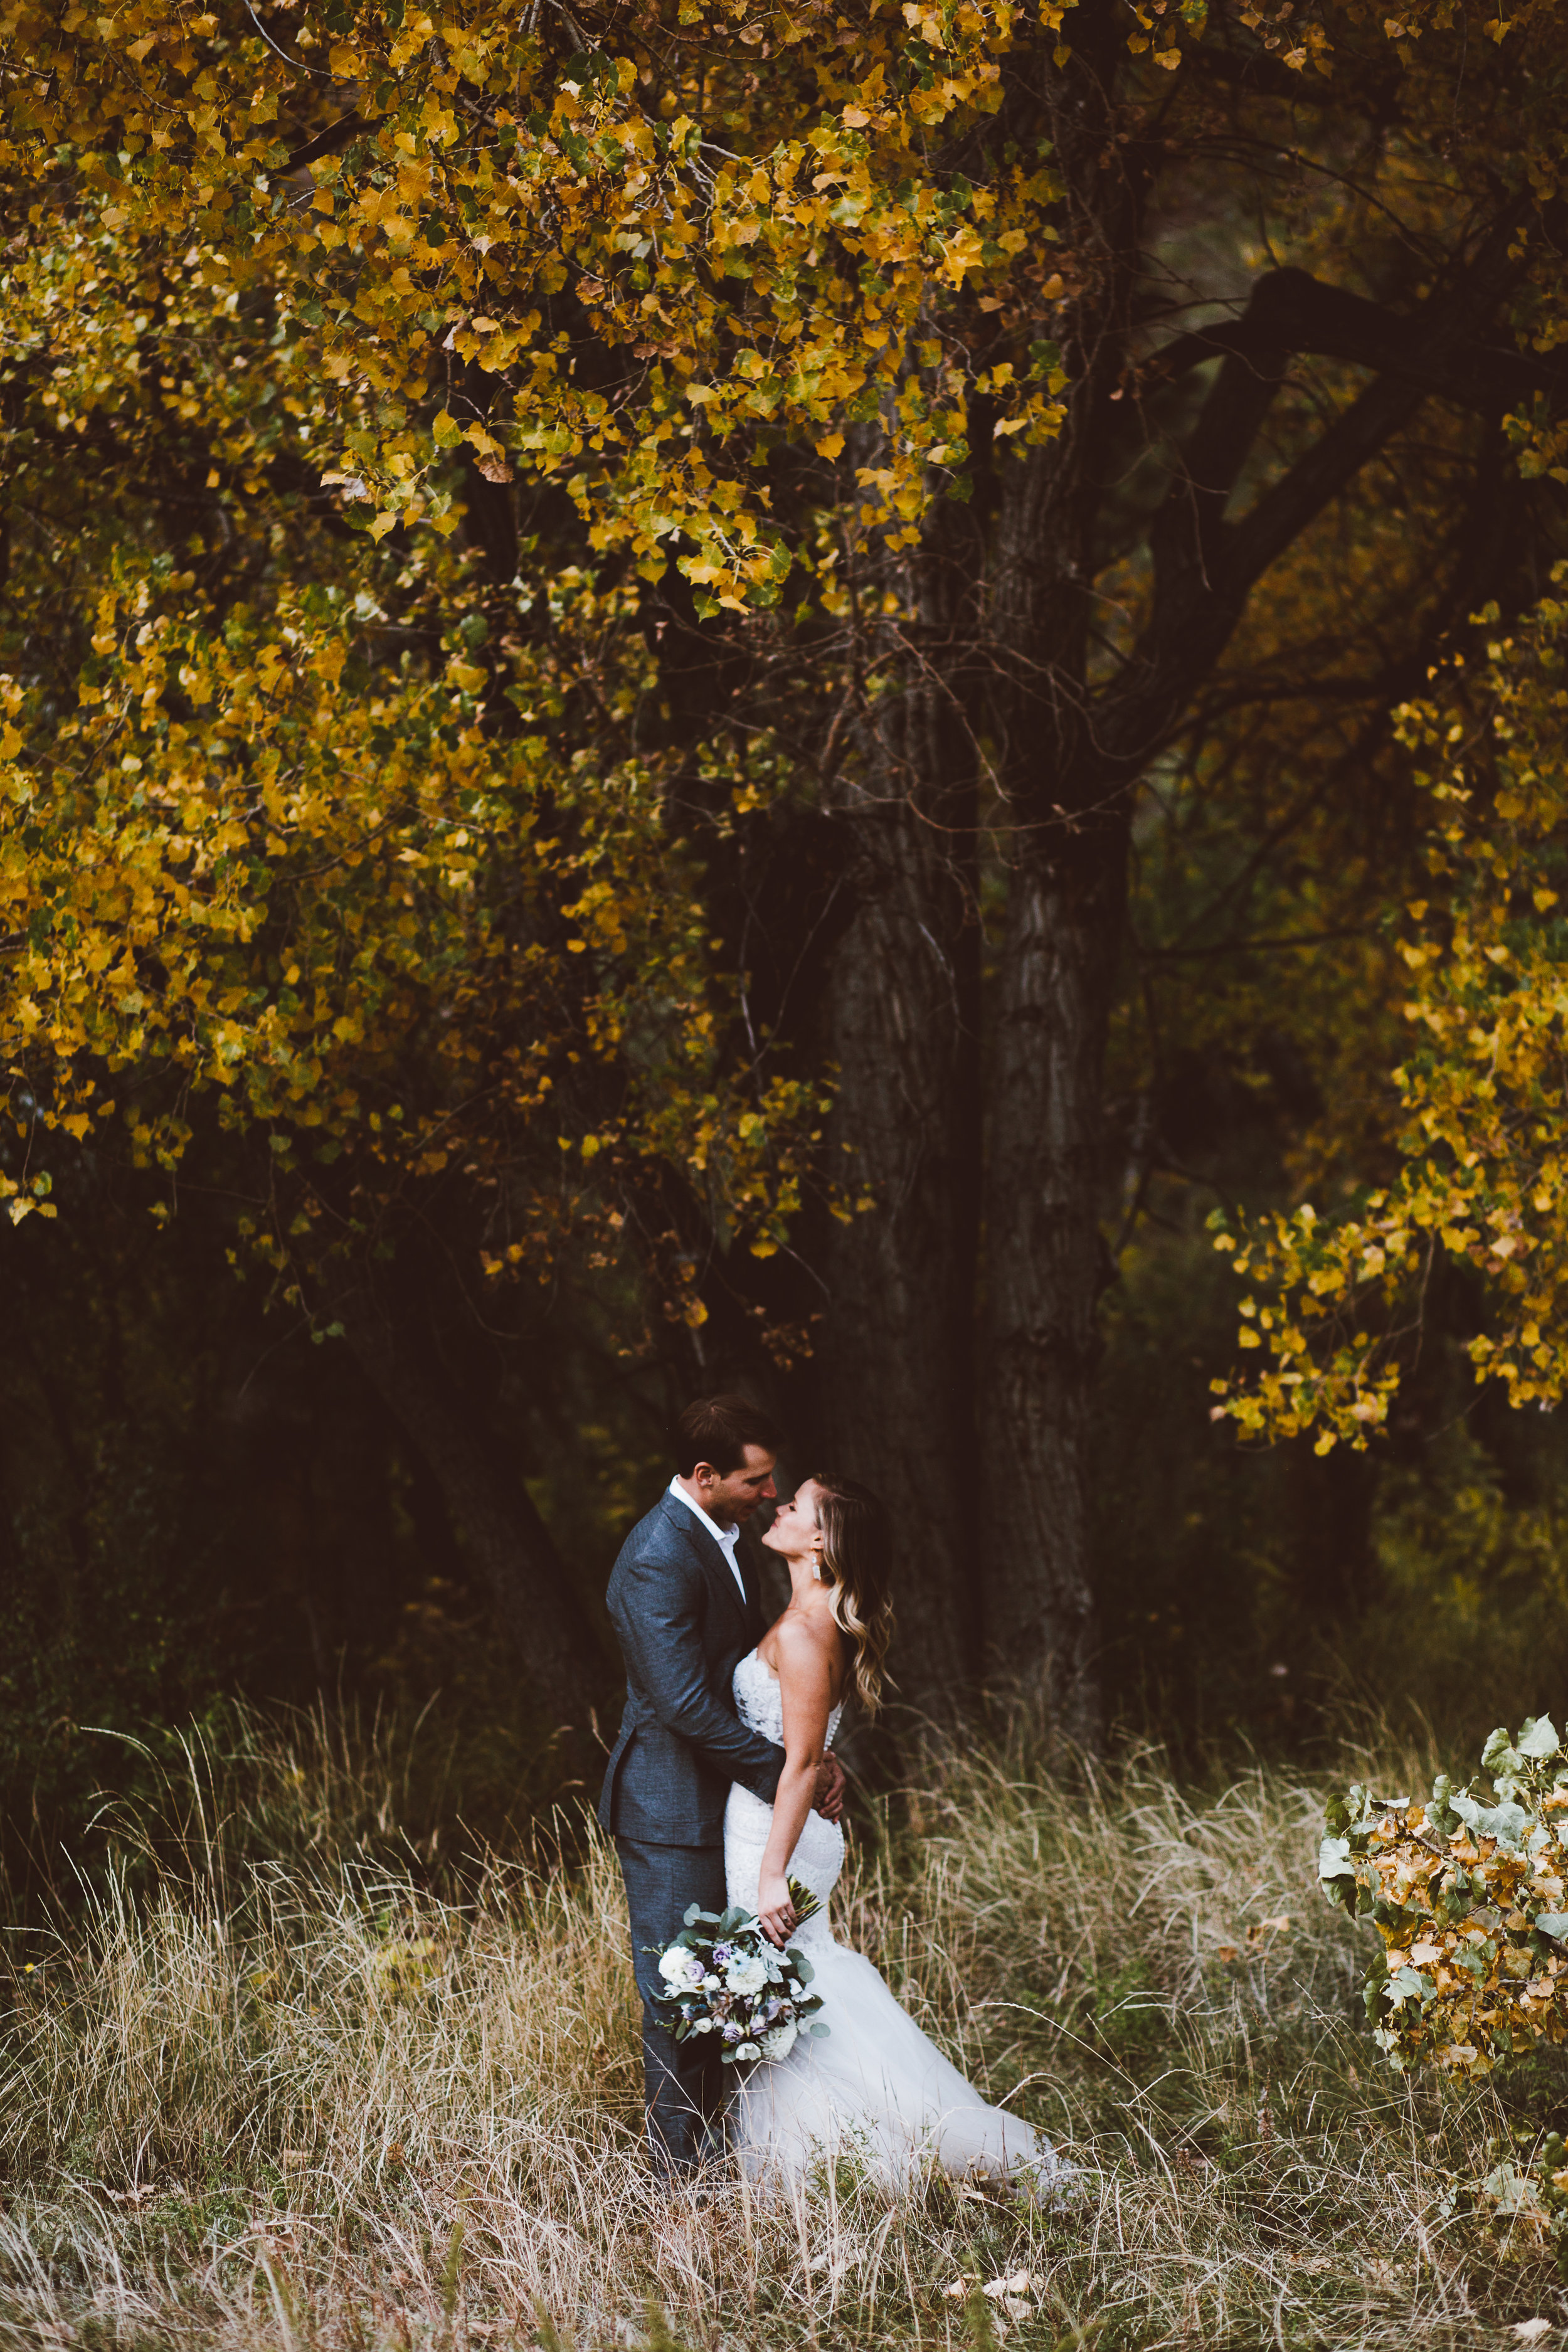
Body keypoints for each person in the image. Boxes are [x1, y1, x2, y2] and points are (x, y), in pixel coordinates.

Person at [724, 1471, 1069, 2192]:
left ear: (819, 1538)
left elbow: (796, 1766)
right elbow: (809, 1739)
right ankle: (835, 2156)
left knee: (791, 1980)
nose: (779, 1506)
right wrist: (825, 1760)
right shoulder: (809, 1622)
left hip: (775, 1838)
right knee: (789, 1983)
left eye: (796, 1504)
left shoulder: (803, 1629)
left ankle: (853, 2160)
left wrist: (768, 1876)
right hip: (775, 1828)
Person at [599, 1394, 846, 2179]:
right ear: (704, 1476)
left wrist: (813, 1757)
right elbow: (682, 1703)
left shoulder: (727, 1533)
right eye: (756, 1481)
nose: (770, 1494)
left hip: (731, 1806)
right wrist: (788, 1777)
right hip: (670, 1807)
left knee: (734, 1987)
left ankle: (733, 2150)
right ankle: (678, 2178)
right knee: (679, 1992)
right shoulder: (655, 1558)